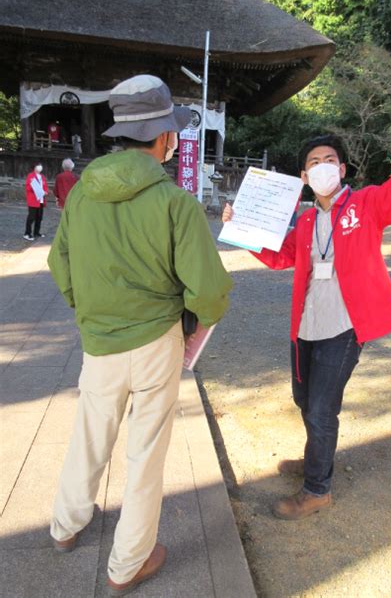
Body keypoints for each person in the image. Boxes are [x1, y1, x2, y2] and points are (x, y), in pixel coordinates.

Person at [48, 74, 233, 594]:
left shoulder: (82, 194)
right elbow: (210, 290)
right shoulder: (174, 202)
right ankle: (127, 563)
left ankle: (65, 527)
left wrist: (87, 310)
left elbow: (59, 263)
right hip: (155, 341)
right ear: (163, 137)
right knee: (145, 453)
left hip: (100, 342)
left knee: (89, 436)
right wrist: (193, 320)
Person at [222, 91, 391, 520]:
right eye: (313, 163)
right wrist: (241, 229)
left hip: (344, 327)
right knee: (305, 400)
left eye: (328, 161)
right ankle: (315, 457)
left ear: (341, 169)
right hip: (304, 324)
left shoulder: (365, 205)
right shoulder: (304, 220)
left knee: (322, 409)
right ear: (304, 176)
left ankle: (317, 489)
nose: (321, 167)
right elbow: (280, 254)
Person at [24, 163, 48, 240]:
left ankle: (36, 232)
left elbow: (45, 187)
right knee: (31, 217)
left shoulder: (42, 177)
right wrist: (35, 188)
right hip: (33, 200)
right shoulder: (30, 176)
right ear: (34, 167)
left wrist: (45, 191)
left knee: (39, 217)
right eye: (38, 165)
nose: (40, 167)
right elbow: (28, 188)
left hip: (41, 199)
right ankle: (27, 233)